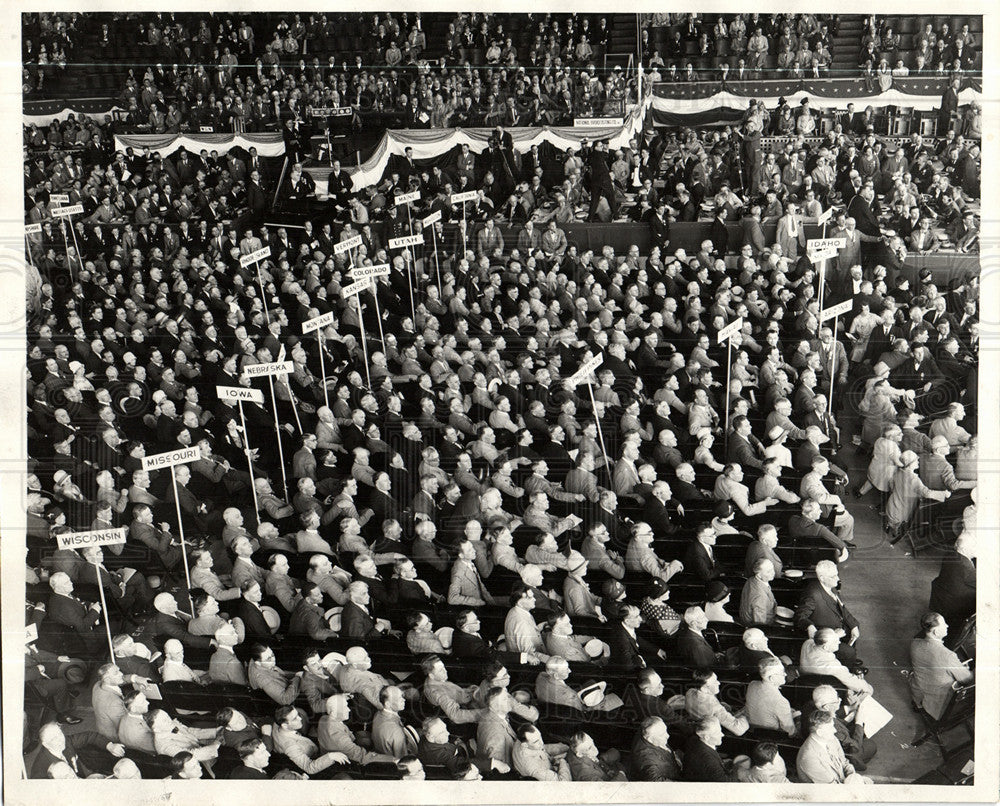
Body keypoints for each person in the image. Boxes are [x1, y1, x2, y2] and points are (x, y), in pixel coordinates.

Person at [909, 612, 973, 719]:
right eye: (944, 624)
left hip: (918, 694)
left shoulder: (915, 643)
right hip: (936, 706)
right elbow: (967, 679)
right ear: (936, 631)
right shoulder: (948, 656)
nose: (947, 626)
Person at [797, 710, 872, 784]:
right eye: (830, 727)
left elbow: (844, 762)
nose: (835, 730)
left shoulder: (830, 738)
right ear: (820, 732)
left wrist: (852, 775)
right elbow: (832, 787)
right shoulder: (809, 758)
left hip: (842, 781)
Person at [744, 657, 798, 736]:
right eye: (782, 672)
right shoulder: (781, 702)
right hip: (770, 736)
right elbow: (790, 732)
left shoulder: (752, 684)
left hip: (751, 731)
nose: (785, 674)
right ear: (772, 678)